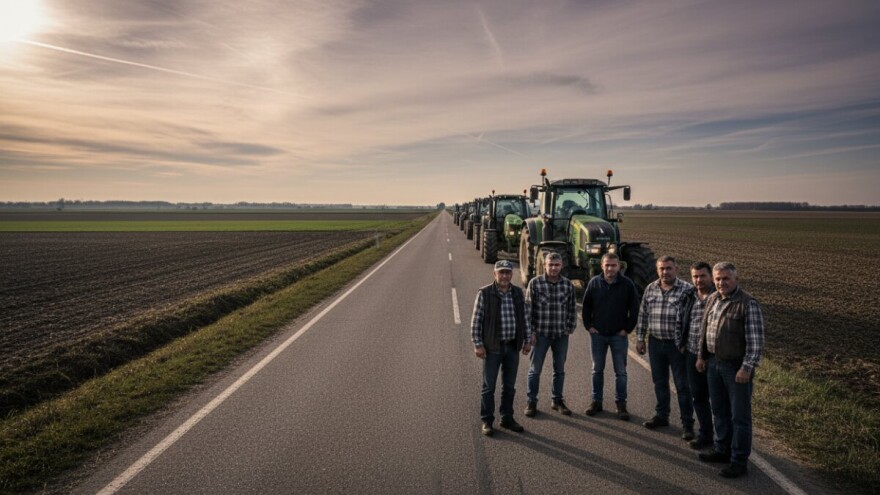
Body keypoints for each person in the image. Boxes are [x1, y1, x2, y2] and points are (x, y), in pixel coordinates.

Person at [696, 262, 765, 478]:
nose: (721, 282)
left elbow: (756, 342)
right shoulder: (713, 299)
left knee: (740, 417)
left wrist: (746, 368)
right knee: (719, 411)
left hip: (736, 368)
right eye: (717, 279)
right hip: (714, 363)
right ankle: (722, 449)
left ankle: (739, 460)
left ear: (735, 279)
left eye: (725, 278)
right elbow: (704, 329)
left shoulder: (748, 303)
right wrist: (701, 355)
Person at [635, 255, 695, 439]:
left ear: (676, 269)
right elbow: (643, 314)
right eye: (661, 269)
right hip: (655, 343)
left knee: (682, 385)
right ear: (657, 270)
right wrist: (640, 338)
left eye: (668, 268)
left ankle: (687, 424)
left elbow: (694, 318)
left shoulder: (687, 290)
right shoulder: (651, 289)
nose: (665, 272)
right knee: (659, 382)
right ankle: (662, 416)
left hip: (677, 346)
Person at [471, 259, 532, 436]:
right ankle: (487, 421)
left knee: (509, 386)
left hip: (512, 347)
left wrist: (527, 341)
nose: (504, 275)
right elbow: (476, 322)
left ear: (511, 274)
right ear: (495, 274)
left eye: (507, 272)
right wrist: (478, 344)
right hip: (492, 348)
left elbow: (525, 320)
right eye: (501, 272)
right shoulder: (485, 293)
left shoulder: (518, 293)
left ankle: (507, 418)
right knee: (489, 387)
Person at [581, 252, 640, 420]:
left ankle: (621, 405)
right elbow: (586, 307)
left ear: (619, 266)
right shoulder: (594, 283)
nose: (610, 268)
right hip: (598, 335)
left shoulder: (627, 284)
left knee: (620, 372)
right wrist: (589, 326)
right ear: (601, 266)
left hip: (618, 335)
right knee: (597, 370)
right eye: (607, 265)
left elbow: (634, 309)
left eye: (613, 265)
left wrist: (627, 329)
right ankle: (596, 402)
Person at [524, 251, 577, 417]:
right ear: (544, 265)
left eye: (557, 265)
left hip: (561, 335)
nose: (554, 268)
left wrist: (569, 328)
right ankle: (531, 402)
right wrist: (530, 333)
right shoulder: (535, 283)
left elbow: (572, 309)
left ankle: (557, 401)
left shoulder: (567, 285)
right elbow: (528, 311)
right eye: (550, 265)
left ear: (561, 265)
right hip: (540, 335)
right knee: (535, 370)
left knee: (559, 369)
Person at [681, 262, 716, 449]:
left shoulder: (717, 297)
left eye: (702, 276)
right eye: (695, 276)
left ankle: (724, 441)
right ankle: (705, 435)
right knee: (699, 397)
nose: (698, 280)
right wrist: (681, 343)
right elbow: (681, 319)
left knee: (718, 401)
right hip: (691, 353)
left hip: (712, 357)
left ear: (710, 277)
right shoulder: (689, 296)